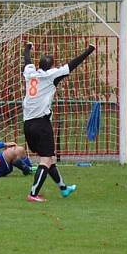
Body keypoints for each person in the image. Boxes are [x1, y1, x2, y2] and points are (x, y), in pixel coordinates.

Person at [22, 41, 95, 203]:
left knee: (50, 158)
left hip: (28, 123)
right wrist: (89, 51)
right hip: (41, 123)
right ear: (52, 66)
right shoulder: (51, 75)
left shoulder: (30, 73)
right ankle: (33, 193)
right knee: (46, 159)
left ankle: (63, 188)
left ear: (39, 65)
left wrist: (27, 48)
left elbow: (27, 61)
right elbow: (72, 65)